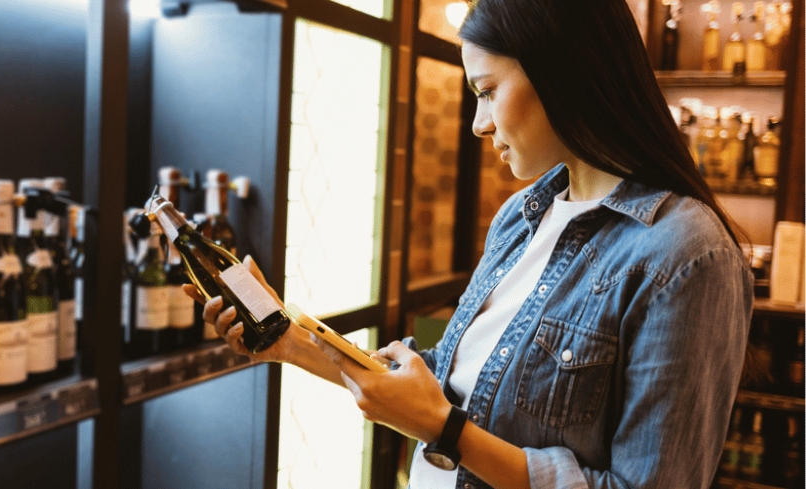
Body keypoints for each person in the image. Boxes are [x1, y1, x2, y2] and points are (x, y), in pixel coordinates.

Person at [184, 0, 754, 487]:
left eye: (487, 91)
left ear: (562, 74)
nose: (478, 124)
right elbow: (448, 380)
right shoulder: (521, 216)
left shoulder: (686, 255)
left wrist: (443, 430)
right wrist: (287, 338)